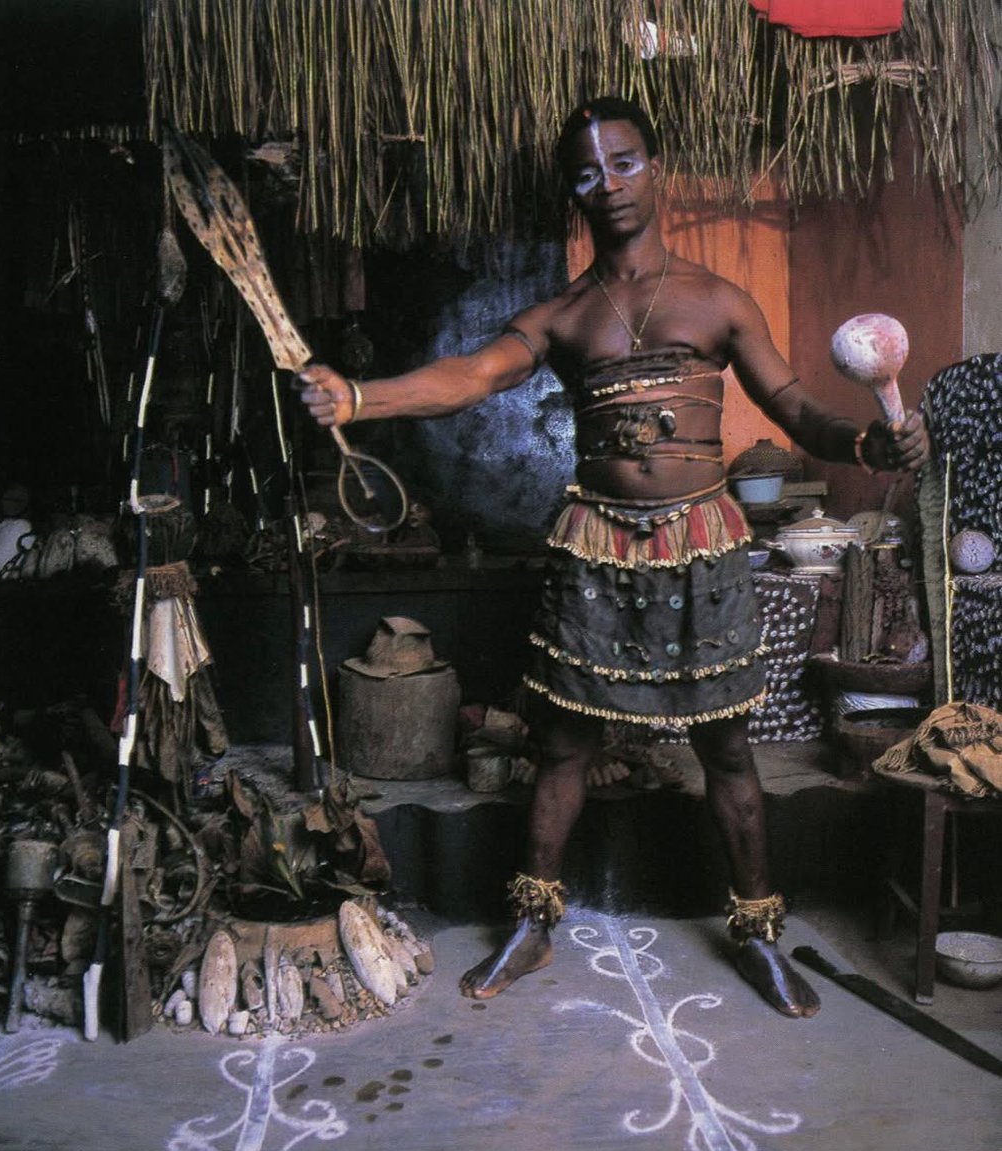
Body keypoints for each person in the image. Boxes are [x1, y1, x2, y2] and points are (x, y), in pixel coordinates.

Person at [299, 96, 929, 1018]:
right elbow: (469, 377)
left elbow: (795, 408)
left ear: (657, 169)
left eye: (625, 162)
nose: (611, 185)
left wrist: (865, 447)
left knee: (724, 747)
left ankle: (757, 935)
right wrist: (360, 396)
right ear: (574, 193)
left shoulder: (717, 299)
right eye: (589, 173)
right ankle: (532, 925)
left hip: (701, 543)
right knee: (559, 745)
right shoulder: (561, 316)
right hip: (594, 547)